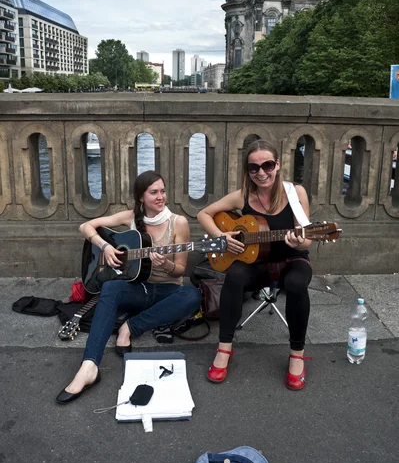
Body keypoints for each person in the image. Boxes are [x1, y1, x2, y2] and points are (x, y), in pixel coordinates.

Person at [56, 170, 202, 404]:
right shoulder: (130, 218)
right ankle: (89, 366)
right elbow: (86, 227)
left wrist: (165, 264)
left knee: (192, 295)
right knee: (111, 289)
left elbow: (180, 270)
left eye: (163, 191)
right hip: (139, 289)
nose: (160, 196)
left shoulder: (178, 223)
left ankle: (131, 327)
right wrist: (105, 247)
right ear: (141, 197)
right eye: (153, 192)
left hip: (168, 292)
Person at [197, 140, 313, 390]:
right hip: (258, 261)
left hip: (292, 260)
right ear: (247, 170)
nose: (261, 172)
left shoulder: (295, 193)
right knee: (234, 276)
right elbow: (203, 214)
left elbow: (307, 239)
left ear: (278, 165)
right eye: (254, 167)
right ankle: (224, 348)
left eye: (267, 165)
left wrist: (299, 241)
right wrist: (222, 236)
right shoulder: (242, 196)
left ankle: (296, 354)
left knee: (296, 283)